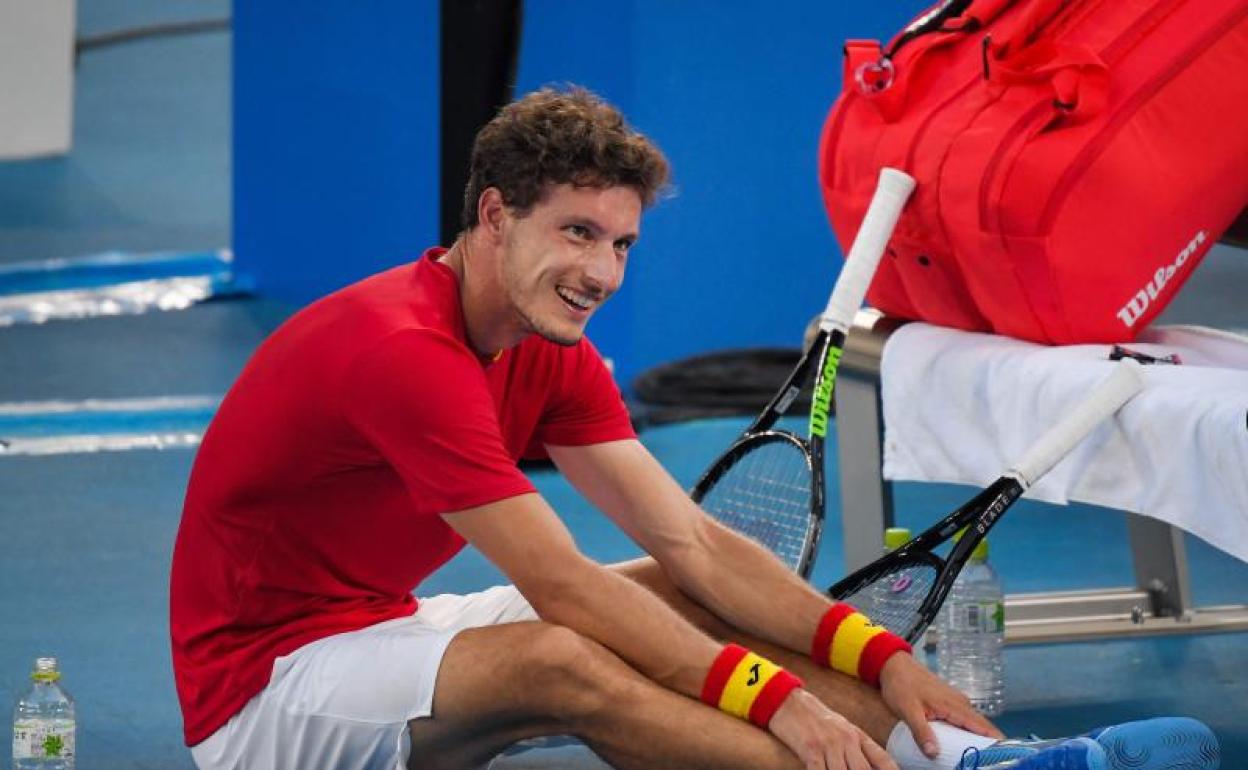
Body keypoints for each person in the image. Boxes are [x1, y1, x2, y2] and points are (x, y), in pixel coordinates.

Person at [170, 87, 1219, 770]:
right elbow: (564, 587)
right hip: (264, 693)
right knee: (560, 655)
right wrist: (769, 699)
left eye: (621, 243)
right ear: (493, 216)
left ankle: (961, 756)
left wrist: (879, 653)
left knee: (673, 589)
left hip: (383, 626)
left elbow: (697, 543)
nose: (602, 273)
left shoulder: (552, 348)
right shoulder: (401, 349)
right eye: (576, 233)